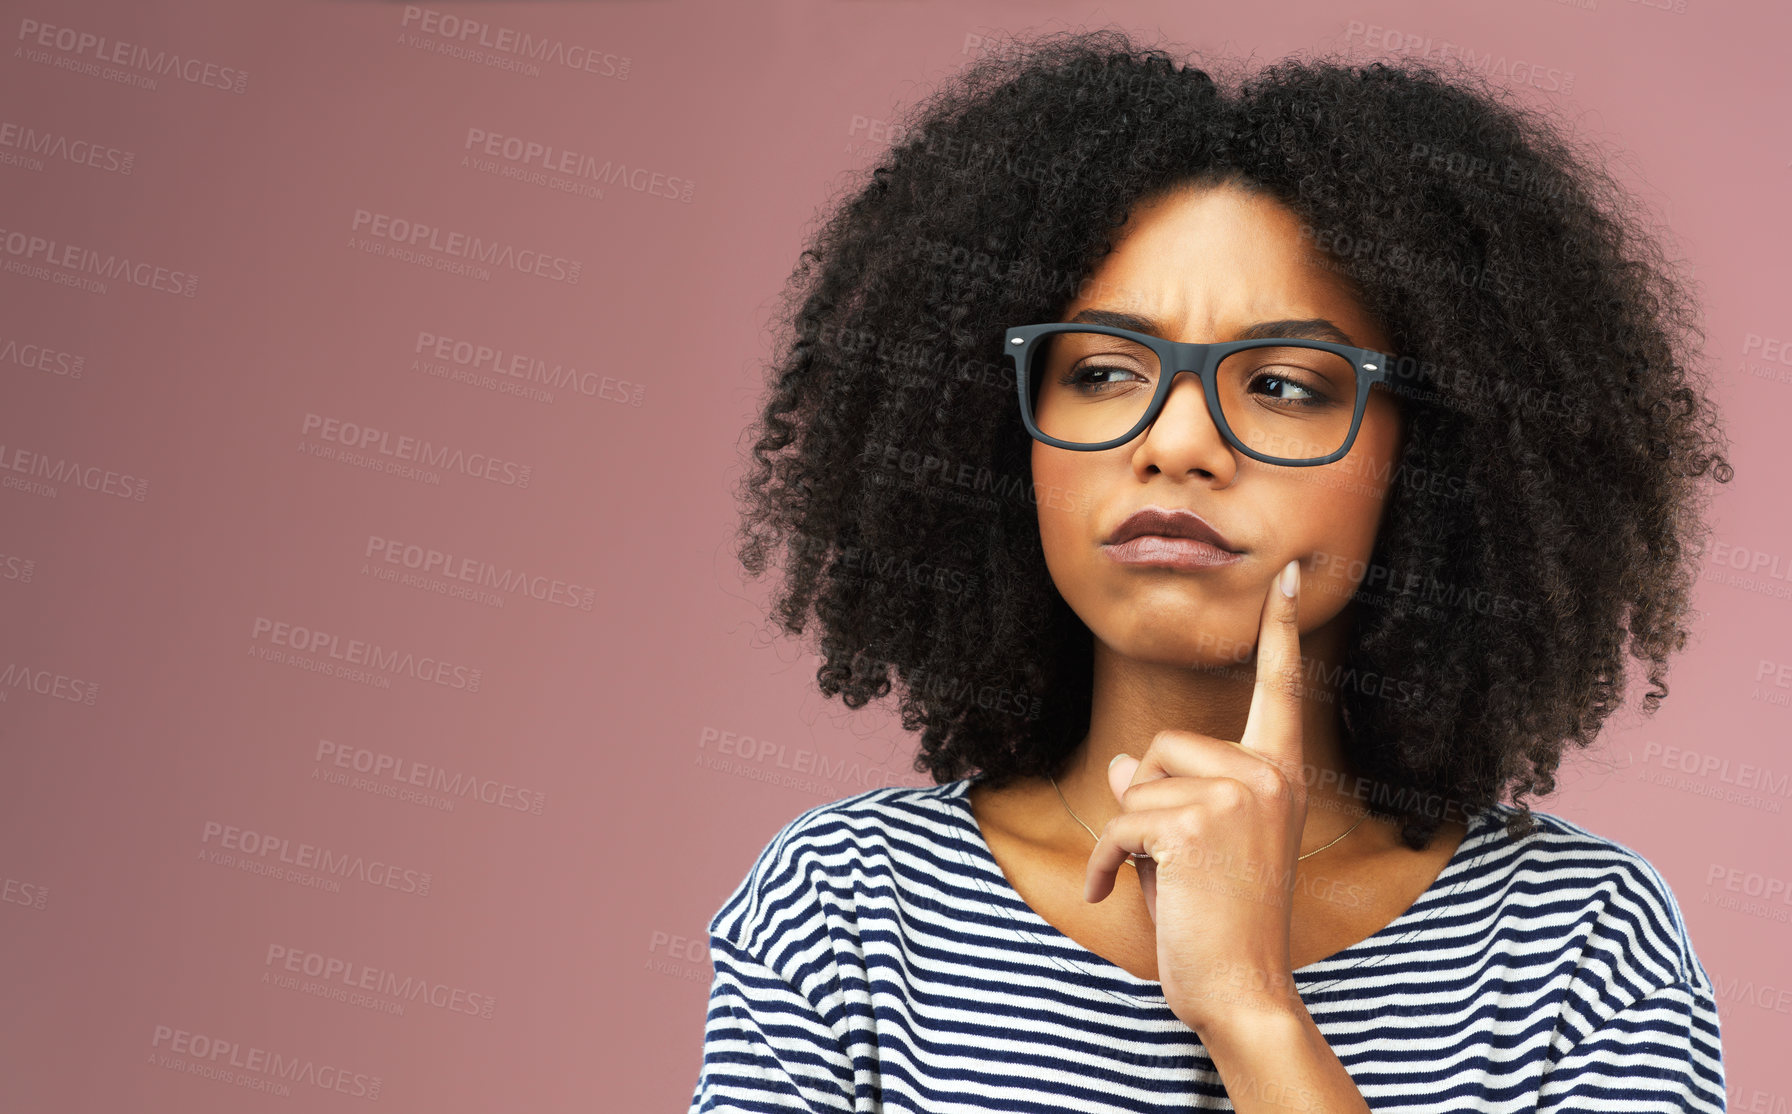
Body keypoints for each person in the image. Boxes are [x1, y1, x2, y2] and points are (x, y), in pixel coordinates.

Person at [692, 28, 1732, 1113]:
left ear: (1431, 458)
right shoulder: (847, 911)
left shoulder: (1582, 946)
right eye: (1099, 370)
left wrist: (1249, 1005)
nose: (1177, 441)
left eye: (1282, 384)